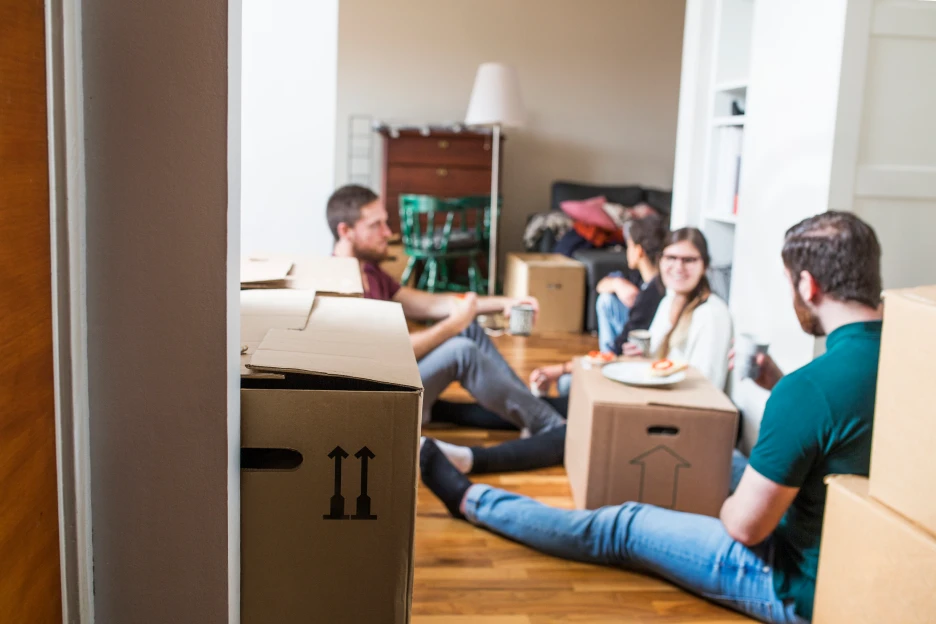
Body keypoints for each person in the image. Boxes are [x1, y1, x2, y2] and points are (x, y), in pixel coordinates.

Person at [420, 211, 884, 623]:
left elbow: (745, 527)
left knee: (624, 524)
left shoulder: (809, 387)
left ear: (808, 285)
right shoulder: (913, 362)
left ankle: (471, 500)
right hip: (872, 576)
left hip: (793, 587)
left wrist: (710, 494)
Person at [426, 226, 732, 475]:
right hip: (643, 395)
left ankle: (472, 460)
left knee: (567, 431)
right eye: (671, 258)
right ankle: (437, 409)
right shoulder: (667, 301)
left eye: (689, 260)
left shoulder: (712, 314)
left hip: (669, 415)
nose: (678, 267)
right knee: (541, 406)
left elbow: (706, 390)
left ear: (704, 265)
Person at [327, 184, 564, 434]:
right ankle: (554, 428)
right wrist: (452, 326)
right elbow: (386, 354)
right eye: (376, 225)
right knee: (462, 351)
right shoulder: (337, 286)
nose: (388, 232)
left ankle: (534, 410)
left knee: (469, 330)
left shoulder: (370, 272)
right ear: (346, 231)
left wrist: (505, 302)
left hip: (397, 376)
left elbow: (432, 304)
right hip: (376, 400)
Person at [531, 213, 668, 398]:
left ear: (638, 251)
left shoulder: (651, 295)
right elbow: (603, 284)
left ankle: (602, 380)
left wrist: (561, 369)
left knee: (565, 385)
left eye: (628, 246)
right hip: (622, 355)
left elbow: (619, 350)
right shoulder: (642, 278)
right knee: (606, 298)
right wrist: (617, 284)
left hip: (630, 364)